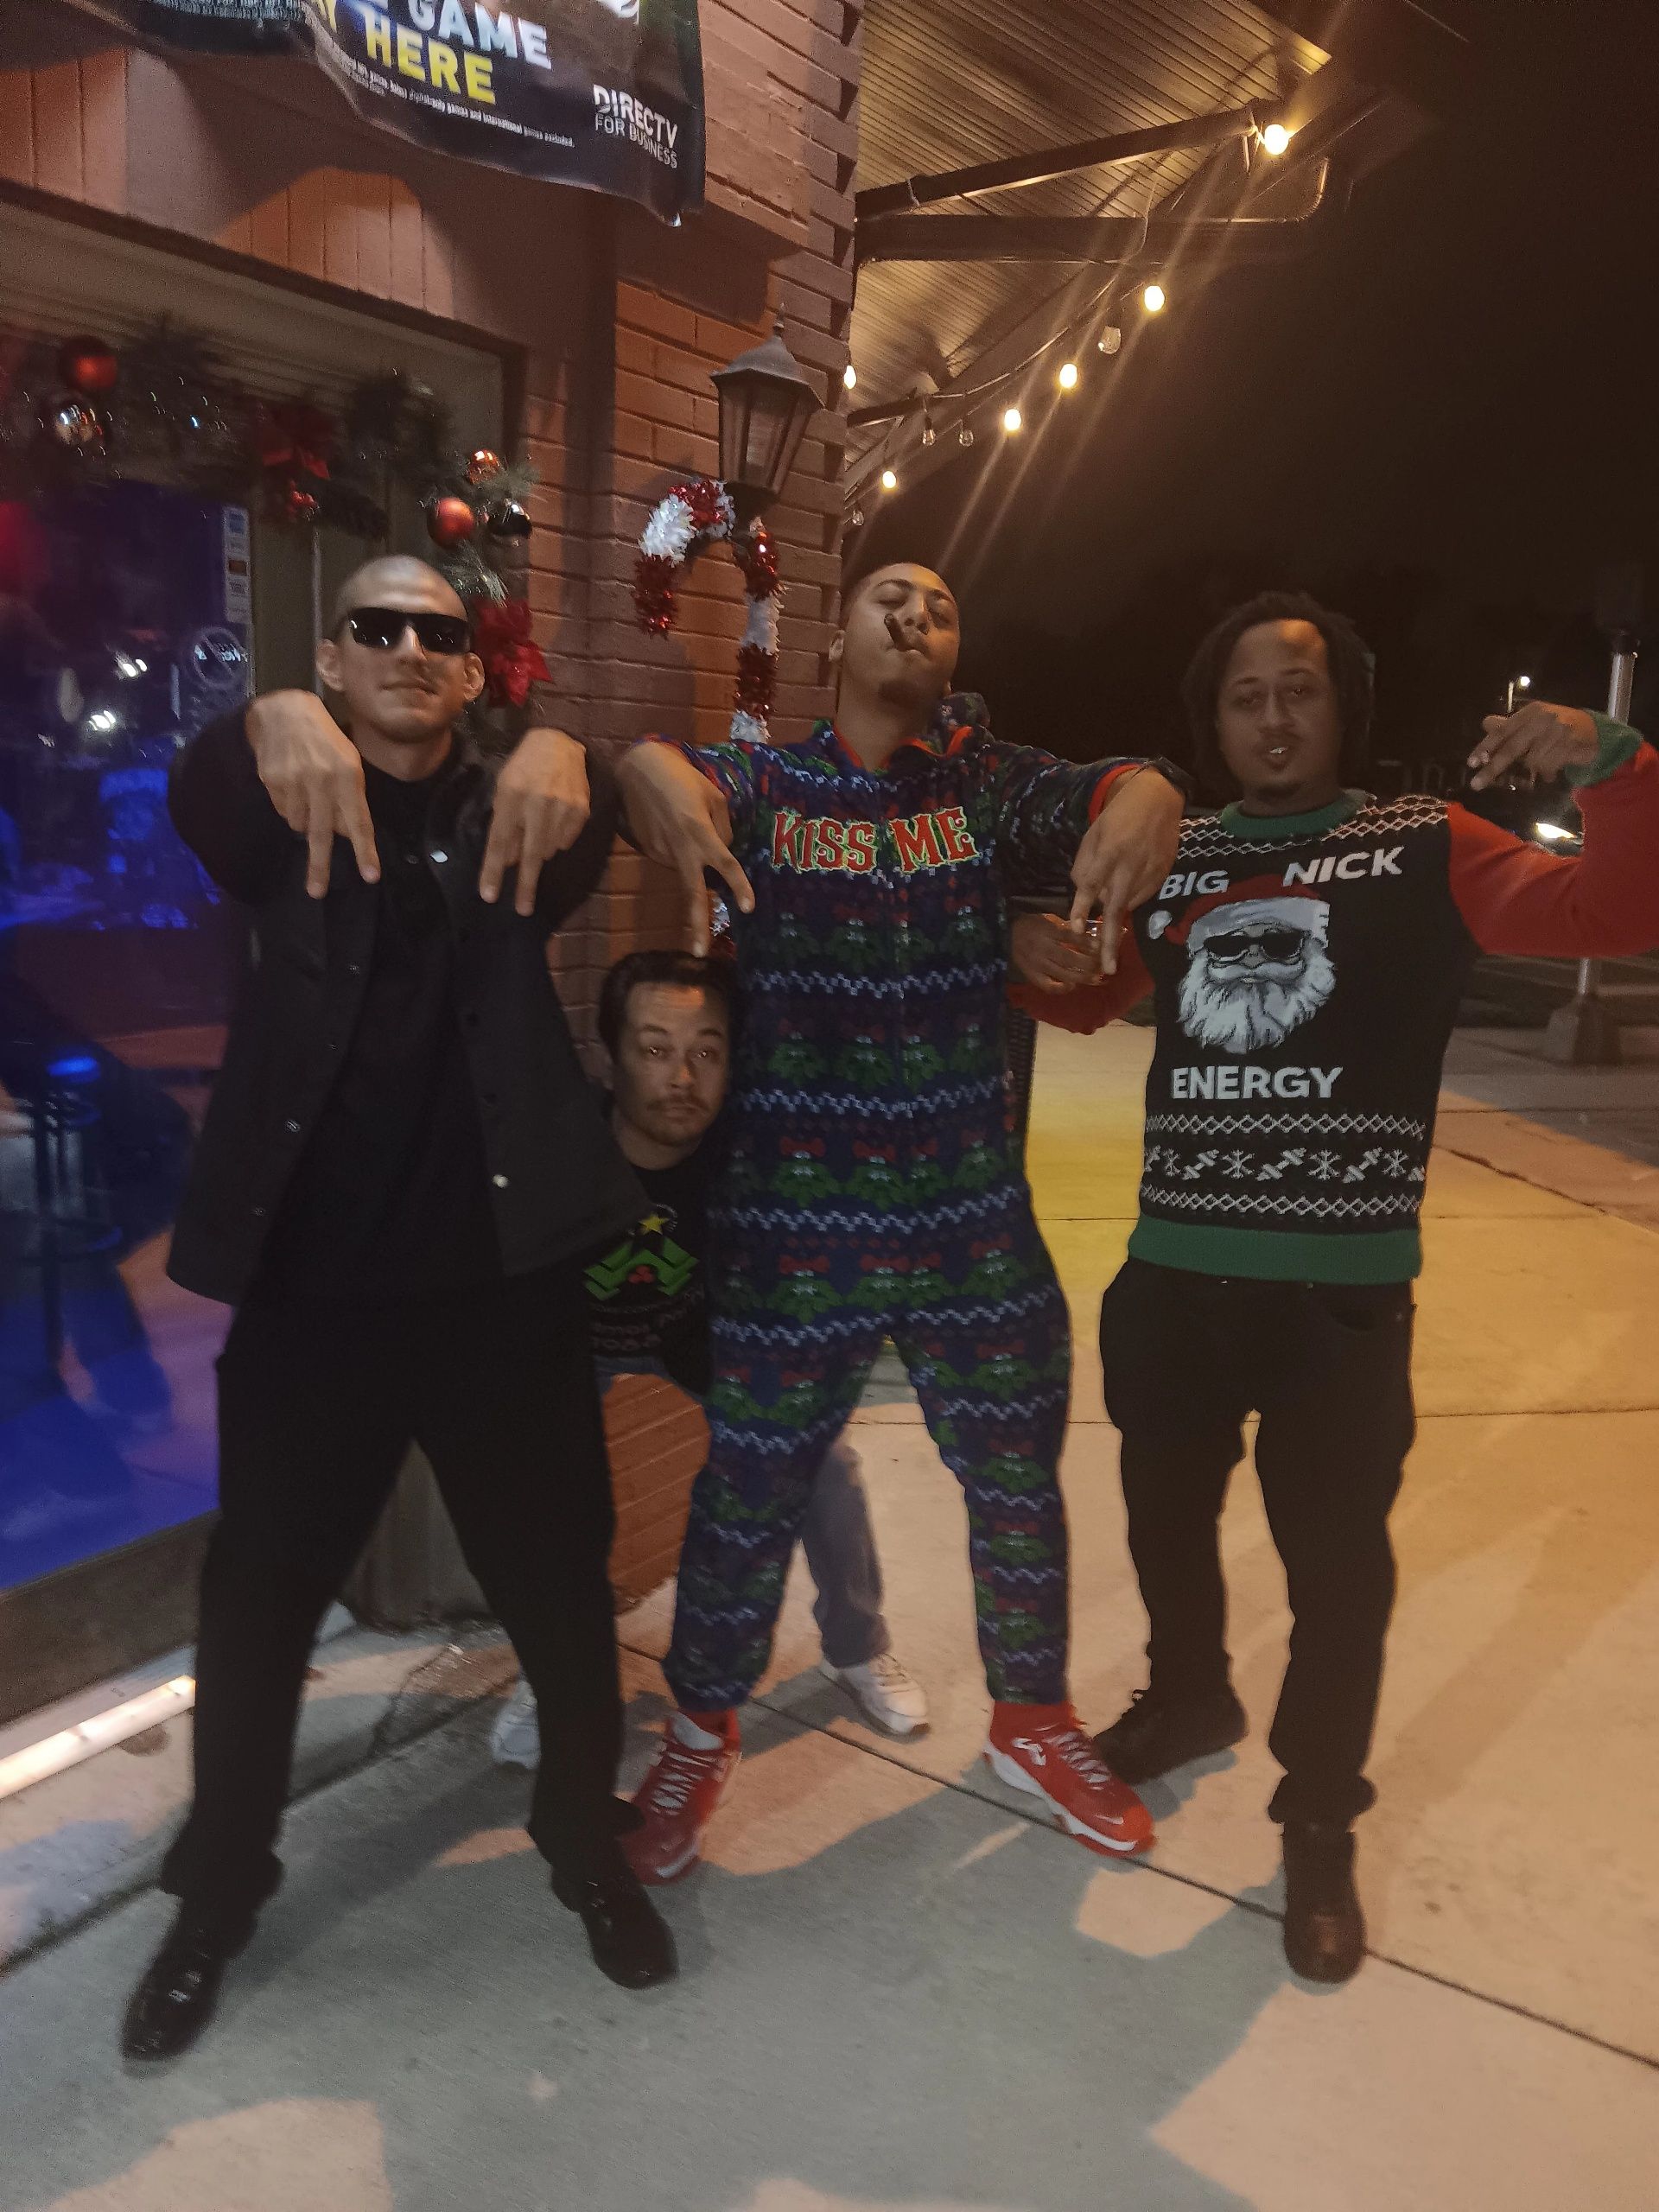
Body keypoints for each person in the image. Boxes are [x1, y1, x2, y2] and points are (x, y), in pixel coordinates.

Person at [1011, 590, 1659, 1983]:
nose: (1274, 718)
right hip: (1177, 1273)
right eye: (1246, 696)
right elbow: (1088, 992)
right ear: (1215, 720)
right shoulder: (1180, 860)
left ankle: (1317, 1821)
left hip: (1336, 1300)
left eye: (1298, 690)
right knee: (1165, 1527)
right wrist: (1038, 958)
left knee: (1338, 1579)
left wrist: (1614, 761)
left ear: (1340, 705)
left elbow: (1619, 903)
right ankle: (1189, 1696)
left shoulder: (1425, 845)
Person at [123, 556, 675, 2064]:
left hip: (504, 1295)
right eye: (377, 627)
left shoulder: (521, 809)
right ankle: (219, 1890)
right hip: (317, 1303)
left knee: (562, 1595)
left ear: (474, 667)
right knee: (254, 1611)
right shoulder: (270, 803)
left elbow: (608, 804)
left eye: (440, 631)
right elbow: (191, 783)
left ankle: (581, 1841)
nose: (410, 649)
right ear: (338, 654)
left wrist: (576, 744)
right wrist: (269, 713)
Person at [613, 559, 1190, 1887]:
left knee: (1016, 1489)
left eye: (939, 605)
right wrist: (642, 763)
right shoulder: (760, 789)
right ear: (835, 641)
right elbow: (648, 777)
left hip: (964, 1215)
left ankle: (1033, 1721)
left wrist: (1152, 782)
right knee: (744, 1497)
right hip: (789, 1214)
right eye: (889, 596)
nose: (914, 617)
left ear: (954, 650)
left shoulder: (985, 789)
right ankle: (702, 1733)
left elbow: (1102, 790)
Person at [492, 948, 929, 1769]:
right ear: (611, 1056)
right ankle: (554, 1672)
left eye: (706, 1051)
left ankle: (857, 1643)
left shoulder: (751, 1156)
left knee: (825, 1462)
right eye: (655, 1048)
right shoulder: (559, 1152)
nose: (682, 1076)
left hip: (700, 1336)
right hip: (572, 1345)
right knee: (548, 1486)